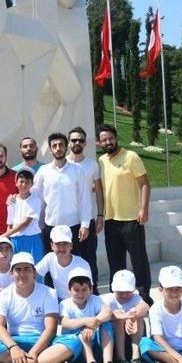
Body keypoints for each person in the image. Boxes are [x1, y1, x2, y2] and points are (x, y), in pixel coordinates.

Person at [0, 253, 79, 363]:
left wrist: (33, 353)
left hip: (42, 342)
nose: (23, 273)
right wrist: (14, 348)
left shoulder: (48, 292)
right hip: (15, 341)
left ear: (34, 272)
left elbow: (51, 329)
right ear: (11, 273)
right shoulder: (3, 295)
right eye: (18, 269)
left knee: (74, 341)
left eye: (27, 269)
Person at [97, 124, 153, 304]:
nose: (108, 142)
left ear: (116, 138)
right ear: (99, 142)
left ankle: (144, 295)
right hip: (111, 219)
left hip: (131, 218)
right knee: (115, 261)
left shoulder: (131, 157)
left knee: (139, 259)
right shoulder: (102, 161)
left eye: (110, 138)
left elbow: (145, 183)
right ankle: (118, 296)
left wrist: (144, 208)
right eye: (104, 139)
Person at [33, 133, 94, 280]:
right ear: (50, 149)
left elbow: (84, 199)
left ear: (66, 147)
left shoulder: (77, 170)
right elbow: (35, 198)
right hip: (50, 226)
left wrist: (85, 225)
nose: (58, 148)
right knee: (50, 268)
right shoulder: (43, 171)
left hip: (73, 227)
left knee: (74, 267)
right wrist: (16, 198)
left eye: (61, 145)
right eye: (54, 146)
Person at [59, 269, 118, 363]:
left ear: (91, 289)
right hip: (77, 349)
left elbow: (107, 312)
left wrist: (93, 324)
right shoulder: (65, 304)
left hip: (95, 344)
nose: (80, 293)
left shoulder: (95, 299)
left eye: (84, 289)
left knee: (106, 324)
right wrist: (85, 321)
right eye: (76, 289)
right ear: (69, 289)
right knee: (80, 331)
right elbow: (65, 323)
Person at [67, 126, 104, 289]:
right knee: (69, 259)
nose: (77, 143)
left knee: (89, 259)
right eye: (74, 140)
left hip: (87, 219)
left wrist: (100, 215)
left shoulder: (92, 165)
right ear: (68, 143)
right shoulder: (63, 164)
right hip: (68, 220)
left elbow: (99, 191)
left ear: (85, 143)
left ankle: (93, 290)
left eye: (80, 140)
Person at [100, 269, 150, 363]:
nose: (124, 295)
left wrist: (132, 316)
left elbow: (145, 306)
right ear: (114, 289)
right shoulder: (107, 299)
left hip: (133, 337)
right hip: (112, 342)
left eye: (128, 291)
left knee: (137, 316)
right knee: (118, 317)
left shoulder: (136, 298)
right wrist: (121, 316)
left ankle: (136, 358)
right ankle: (121, 360)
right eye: (120, 291)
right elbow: (105, 314)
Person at [35, 225, 93, 301]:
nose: (62, 248)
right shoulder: (49, 258)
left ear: (71, 245)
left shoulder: (82, 264)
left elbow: (89, 291)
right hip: (57, 301)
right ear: (52, 245)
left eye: (65, 243)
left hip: (78, 301)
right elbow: (32, 274)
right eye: (58, 244)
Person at [4, 168, 45, 263]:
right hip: (15, 241)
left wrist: (5, 235)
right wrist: (7, 239)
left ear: (32, 184)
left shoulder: (35, 200)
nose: (24, 185)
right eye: (21, 181)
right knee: (16, 269)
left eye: (27, 182)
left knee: (35, 269)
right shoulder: (11, 200)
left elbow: (25, 223)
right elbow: (10, 223)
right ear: (16, 183)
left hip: (32, 240)